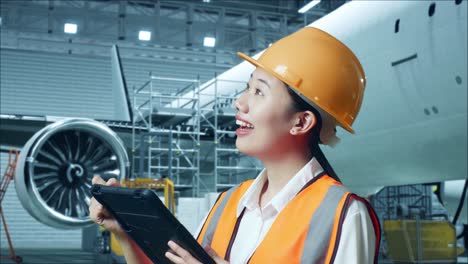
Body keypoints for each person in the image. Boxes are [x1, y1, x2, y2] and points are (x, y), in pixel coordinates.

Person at [89, 27, 381, 264]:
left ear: (301, 122)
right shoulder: (227, 204)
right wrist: (127, 233)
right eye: (247, 87)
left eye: (258, 91)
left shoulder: (343, 214)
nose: (239, 102)